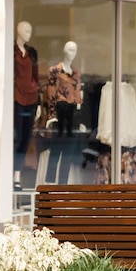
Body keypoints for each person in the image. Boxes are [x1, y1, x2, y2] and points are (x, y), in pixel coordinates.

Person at [43, 41, 82, 184]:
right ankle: (50, 188)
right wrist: (52, 115)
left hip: (72, 116)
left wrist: (81, 119)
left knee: (67, 155)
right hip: (59, 114)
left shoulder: (76, 73)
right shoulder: (55, 71)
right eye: (70, 49)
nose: (73, 53)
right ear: (64, 51)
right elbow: (51, 93)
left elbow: (78, 97)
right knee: (55, 153)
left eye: (75, 50)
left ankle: (62, 188)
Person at [13, 21, 39, 190]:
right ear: (18, 30)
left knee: (25, 138)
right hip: (16, 98)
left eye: (30, 29)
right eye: (26, 29)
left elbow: (35, 76)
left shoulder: (32, 53)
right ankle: (11, 172)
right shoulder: (11, 51)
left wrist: (40, 100)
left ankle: (17, 175)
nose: (29, 32)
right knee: (16, 137)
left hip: (31, 98)